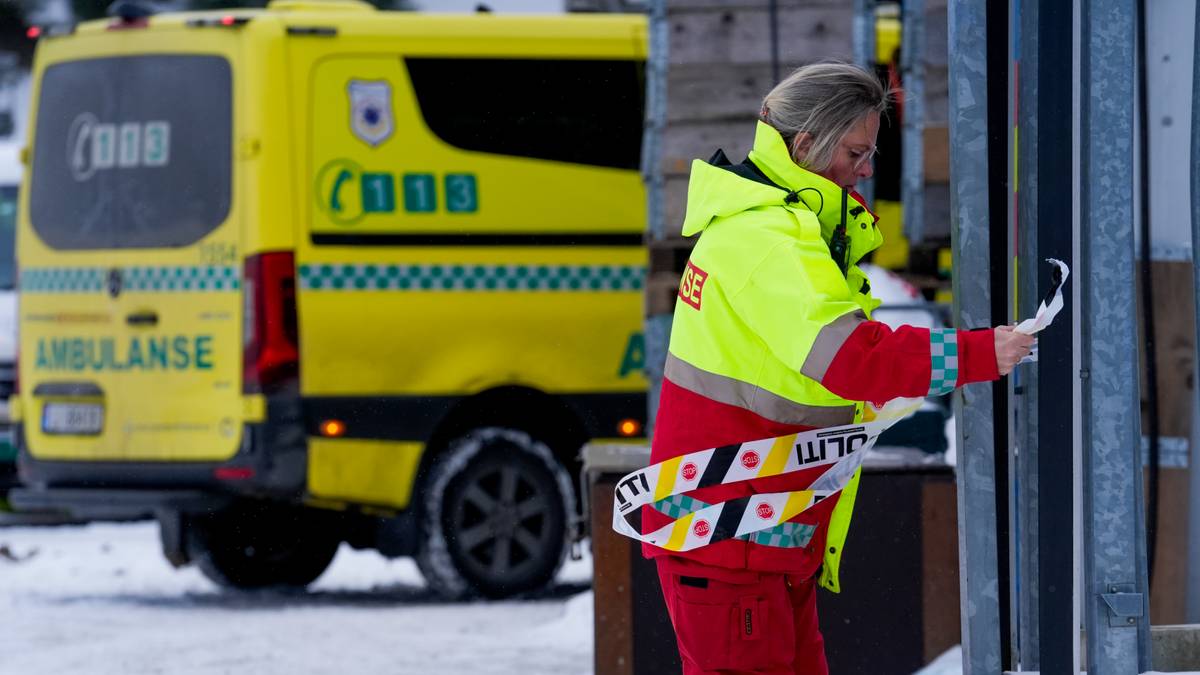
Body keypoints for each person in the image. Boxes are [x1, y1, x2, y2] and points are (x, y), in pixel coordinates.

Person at [644, 62, 1035, 675]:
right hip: (736, 543)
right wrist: (981, 352)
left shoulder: (762, 227)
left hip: (751, 535)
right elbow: (854, 359)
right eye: (856, 150)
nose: (868, 168)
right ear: (806, 146)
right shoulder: (771, 240)